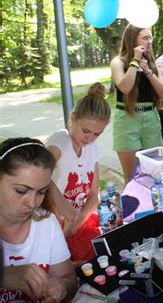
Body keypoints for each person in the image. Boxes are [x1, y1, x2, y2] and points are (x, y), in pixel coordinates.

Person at [0, 138, 78, 301]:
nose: (32, 203)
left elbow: (69, 278)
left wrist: (62, 286)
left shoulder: (46, 223)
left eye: (41, 192)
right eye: (21, 191)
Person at [46, 82, 111, 262]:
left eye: (97, 134)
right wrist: (65, 207)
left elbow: (94, 195)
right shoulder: (61, 140)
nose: (89, 138)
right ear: (73, 118)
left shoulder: (91, 148)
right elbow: (40, 174)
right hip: (53, 222)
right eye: (85, 131)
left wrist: (77, 221)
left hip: (76, 223)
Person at [110, 24, 163, 182]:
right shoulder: (118, 62)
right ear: (132, 39)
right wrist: (135, 61)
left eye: (151, 37)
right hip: (127, 119)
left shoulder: (151, 62)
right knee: (132, 176)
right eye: (145, 38)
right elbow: (125, 87)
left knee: (155, 173)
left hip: (150, 118)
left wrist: (148, 71)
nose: (150, 41)